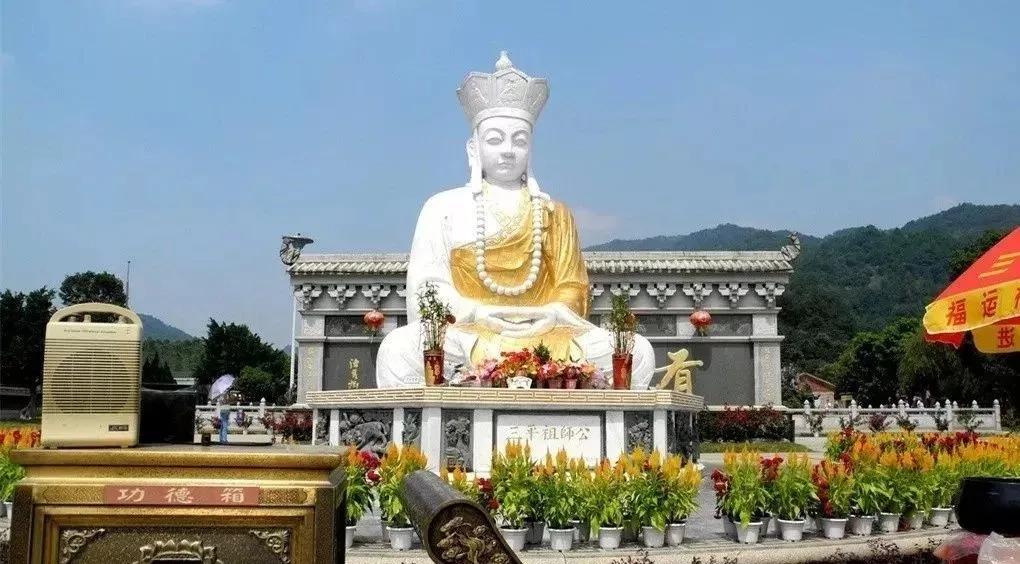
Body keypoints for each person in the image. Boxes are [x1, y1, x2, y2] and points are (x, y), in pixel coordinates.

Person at [376, 52, 654, 388]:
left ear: (531, 149)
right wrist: (477, 312)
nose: (508, 150)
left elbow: (573, 290)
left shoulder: (554, 213)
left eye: (519, 140)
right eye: (495, 139)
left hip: (548, 334)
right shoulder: (442, 207)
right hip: (468, 334)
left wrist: (549, 314)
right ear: (473, 148)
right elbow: (426, 290)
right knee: (397, 349)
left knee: (637, 351)